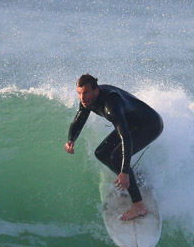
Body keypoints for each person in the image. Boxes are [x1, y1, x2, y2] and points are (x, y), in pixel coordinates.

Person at [64, 74, 164, 221]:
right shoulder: (87, 100)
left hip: (150, 124)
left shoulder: (111, 105)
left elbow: (126, 139)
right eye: (79, 93)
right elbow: (79, 119)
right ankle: (137, 179)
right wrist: (71, 140)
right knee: (101, 153)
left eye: (85, 92)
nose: (82, 97)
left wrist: (123, 172)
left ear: (96, 91)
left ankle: (139, 205)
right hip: (131, 123)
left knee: (117, 157)